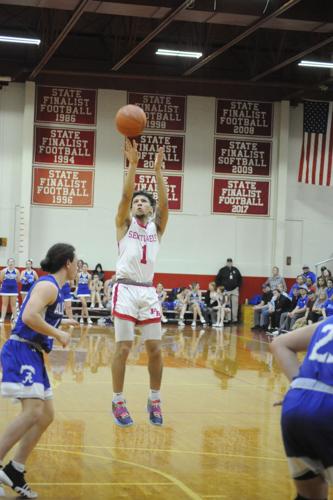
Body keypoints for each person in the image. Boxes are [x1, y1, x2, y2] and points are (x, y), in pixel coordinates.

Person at [0, 243, 78, 498]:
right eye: (76, 261)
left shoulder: (55, 289)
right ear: (67, 263)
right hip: (21, 349)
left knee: (46, 415)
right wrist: (59, 333)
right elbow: (29, 316)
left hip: (32, 353)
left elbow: (39, 313)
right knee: (33, 410)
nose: (77, 266)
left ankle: (15, 469)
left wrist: (61, 320)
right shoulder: (48, 285)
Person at [111, 139, 168, 427]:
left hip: (147, 291)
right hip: (125, 288)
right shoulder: (124, 225)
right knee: (123, 347)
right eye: (137, 201)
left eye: (144, 200)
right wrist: (133, 165)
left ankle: (154, 398)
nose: (138, 202)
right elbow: (124, 196)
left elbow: (165, 203)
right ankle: (118, 401)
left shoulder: (157, 228)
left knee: (155, 349)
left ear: (151, 208)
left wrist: (157, 171)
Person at [270, 318, 333, 500]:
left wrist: (301, 386)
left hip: (296, 406)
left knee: (309, 496)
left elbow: (280, 344)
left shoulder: (328, 322)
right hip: (328, 411)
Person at [215, 258, 242, 323]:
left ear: (232, 263)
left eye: (230, 262)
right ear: (226, 263)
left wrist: (238, 286)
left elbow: (240, 279)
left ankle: (235, 319)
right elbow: (217, 279)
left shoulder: (236, 270)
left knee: (235, 304)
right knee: (227, 304)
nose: (229, 263)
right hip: (225, 290)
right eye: (228, 262)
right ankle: (228, 319)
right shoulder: (222, 270)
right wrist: (220, 288)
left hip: (234, 290)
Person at [0, 258, 20, 323]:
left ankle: (15, 318)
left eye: (12, 262)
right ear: (7, 263)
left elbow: (18, 280)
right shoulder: (3, 271)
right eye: (10, 262)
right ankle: (2, 318)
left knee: (13, 304)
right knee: (4, 304)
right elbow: (1, 279)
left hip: (13, 290)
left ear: (14, 263)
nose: (11, 263)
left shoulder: (17, 271)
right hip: (5, 289)